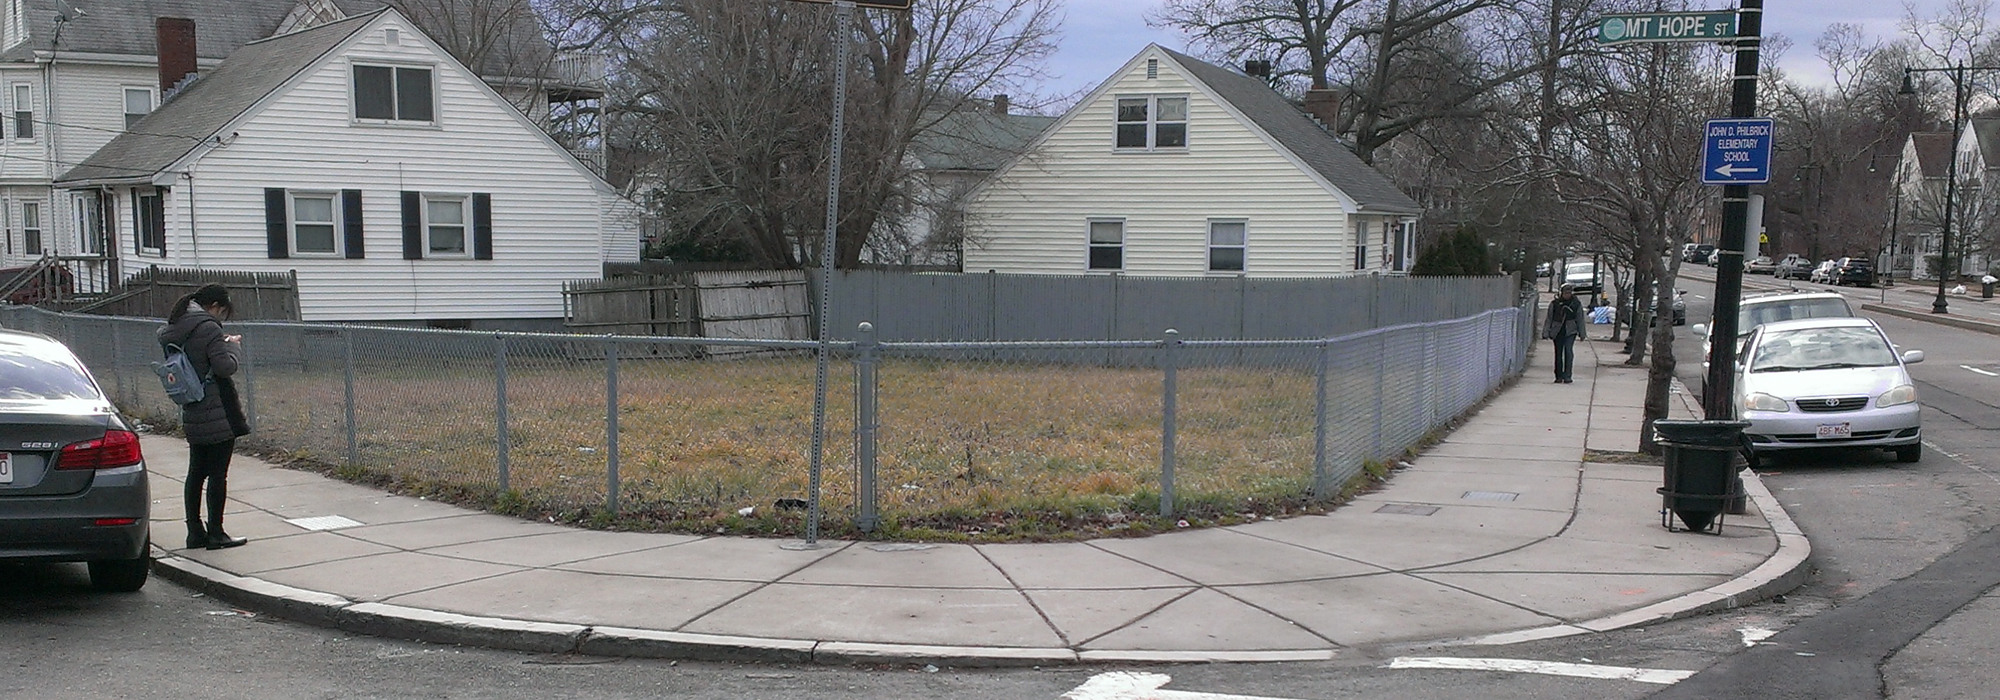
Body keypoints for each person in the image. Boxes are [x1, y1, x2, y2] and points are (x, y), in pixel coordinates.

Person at [158, 284, 251, 550]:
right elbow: (224, 367)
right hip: (217, 408)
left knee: (196, 472)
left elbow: (196, 358)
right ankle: (216, 533)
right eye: (222, 312)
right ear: (214, 306)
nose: (221, 318)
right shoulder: (209, 328)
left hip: (192, 406)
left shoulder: (173, 328)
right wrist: (231, 347)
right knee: (217, 474)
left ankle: (194, 532)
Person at [1544, 284, 1583, 384]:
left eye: (1569, 293)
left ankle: (1567, 375)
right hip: (1557, 331)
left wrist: (1582, 333)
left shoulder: (1576, 304)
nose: (1567, 295)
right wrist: (1546, 332)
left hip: (1571, 331)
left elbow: (1580, 319)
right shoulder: (1555, 304)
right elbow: (1549, 318)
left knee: (1568, 352)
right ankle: (1558, 376)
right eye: (1565, 293)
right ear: (1561, 293)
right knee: (1558, 353)